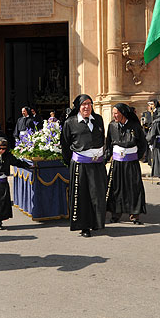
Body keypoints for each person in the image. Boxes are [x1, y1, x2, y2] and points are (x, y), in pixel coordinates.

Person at [61, 94, 107, 238]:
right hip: (80, 165)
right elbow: (65, 144)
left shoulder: (98, 120)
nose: (87, 107)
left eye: (89, 103)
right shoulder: (70, 122)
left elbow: (102, 139)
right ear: (78, 107)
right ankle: (84, 226)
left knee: (98, 194)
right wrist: (71, 162)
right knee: (82, 196)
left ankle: (96, 222)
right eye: (83, 104)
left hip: (97, 164)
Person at [105, 103, 146, 225]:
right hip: (117, 163)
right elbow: (108, 144)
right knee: (116, 188)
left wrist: (135, 157)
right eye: (113, 113)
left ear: (123, 113)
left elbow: (142, 144)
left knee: (133, 188)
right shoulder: (112, 125)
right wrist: (105, 158)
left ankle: (134, 215)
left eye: (116, 113)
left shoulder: (135, 126)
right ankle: (115, 213)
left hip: (131, 163)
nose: (114, 116)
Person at [0, 137, 31, 230]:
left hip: (2, 182)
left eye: (3, 149)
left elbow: (17, 162)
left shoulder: (8, 156)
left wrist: (28, 165)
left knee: (1, 203)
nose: (1, 151)